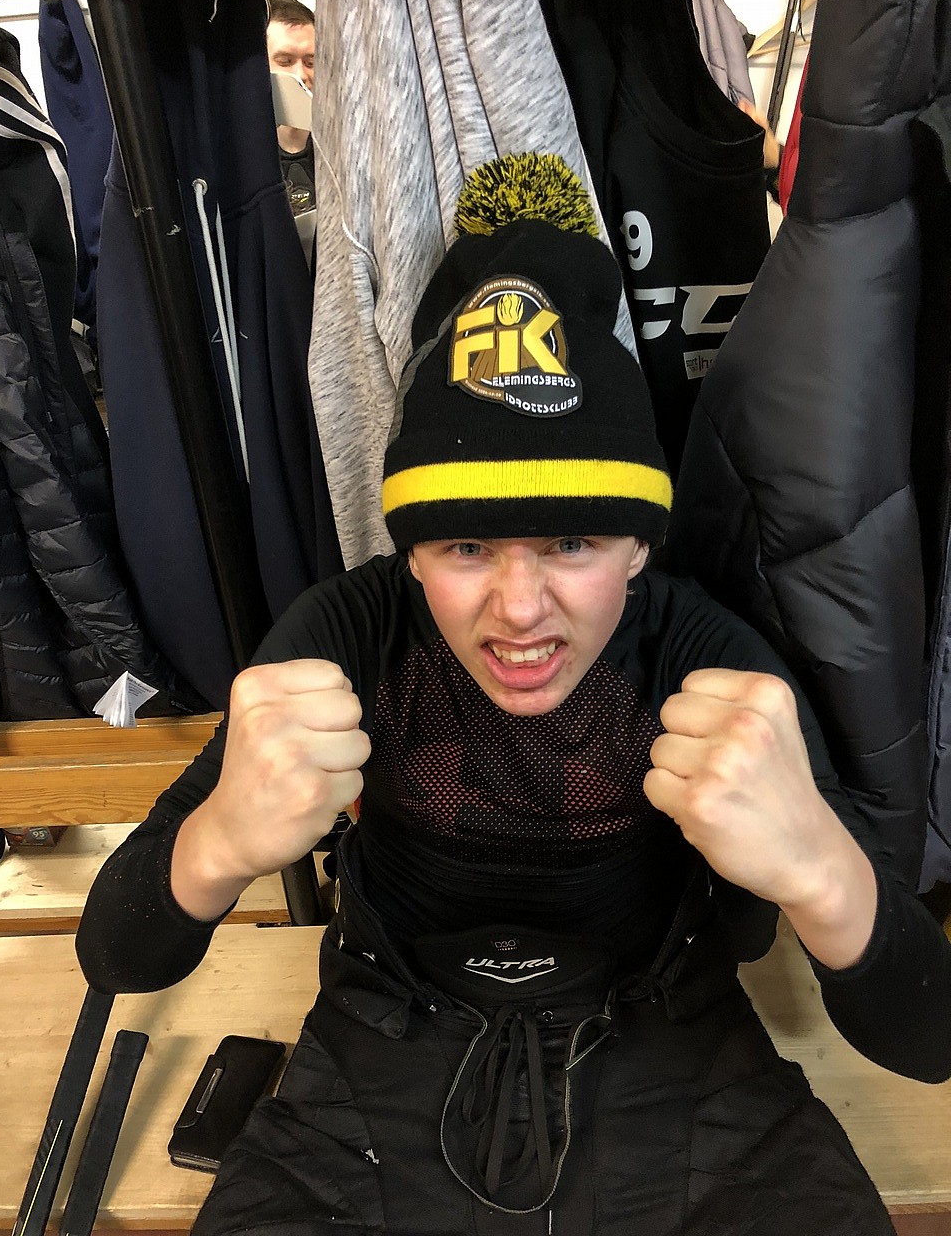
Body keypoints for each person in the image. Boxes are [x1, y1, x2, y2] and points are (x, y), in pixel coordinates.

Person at [77, 153, 951, 1235]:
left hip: (672, 1051)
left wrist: (820, 868)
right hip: (378, 1059)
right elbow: (114, 955)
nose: (521, 609)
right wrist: (217, 839)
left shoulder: (704, 657)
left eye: (572, 541)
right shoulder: (346, 637)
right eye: (468, 544)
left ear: (640, 545)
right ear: (409, 551)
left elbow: (928, 1038)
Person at [266, 0, 315, 214]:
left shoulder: (341, 145)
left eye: (310, 62)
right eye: (285, 61)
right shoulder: (245, 152)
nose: (300, 74)